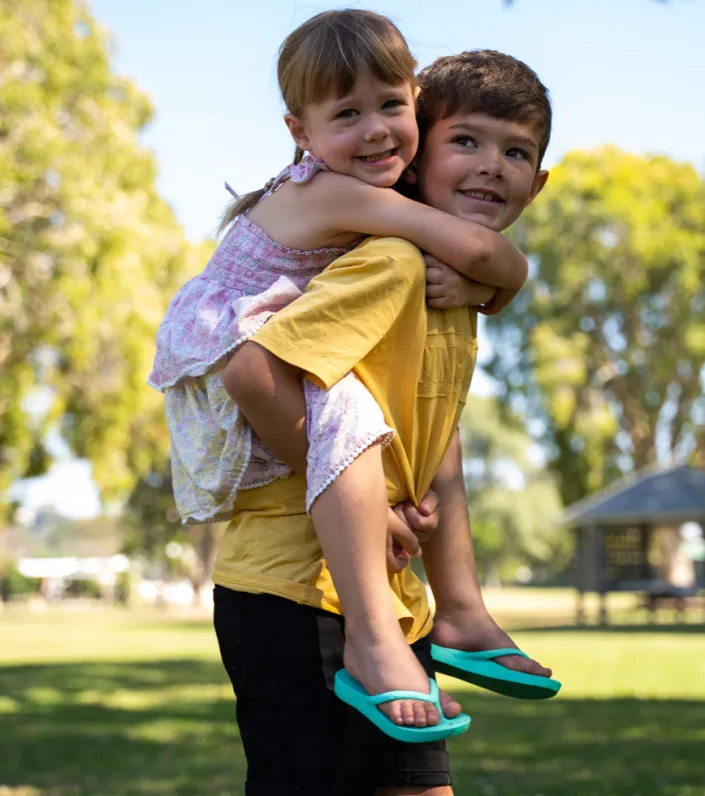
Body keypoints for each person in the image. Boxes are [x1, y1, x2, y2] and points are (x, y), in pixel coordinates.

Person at [149, 10, 528, 731]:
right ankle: (372, 640)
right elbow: (480, 251)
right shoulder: (341, 194)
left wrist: (479, 288)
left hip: (262, 349)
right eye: (346, 114)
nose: (377, 129)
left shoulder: (365, 203)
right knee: (350, 416)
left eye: (390, 104)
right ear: (301, 132)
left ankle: (453, 614)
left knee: (419, 419)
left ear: (413, 100)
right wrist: (506, 280)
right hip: (235, 359)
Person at [218, 48, 555, 794]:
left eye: (515, 152)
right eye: (464, 141)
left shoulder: (452, 285)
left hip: (393, 597)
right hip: (295, 588)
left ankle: (463, 617)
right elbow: (251, 372)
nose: (491, 166)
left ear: (539, 180)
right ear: (415, 155)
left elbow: (432, 434)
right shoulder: (388, 261)